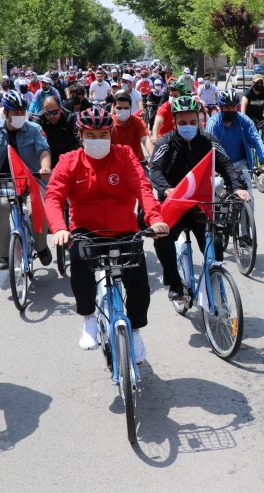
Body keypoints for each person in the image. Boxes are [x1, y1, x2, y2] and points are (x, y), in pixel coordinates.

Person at [44, 107, 169, 360]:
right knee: (79, 263)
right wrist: (59, 227)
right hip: (85, 230)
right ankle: (89, 318)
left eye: (103, 134)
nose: (97, 140)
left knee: (138, 281)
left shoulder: (124, 156)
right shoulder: (69, 160)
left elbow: (143, 188)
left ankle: (134, 331)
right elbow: (54, 197)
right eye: (91, 135)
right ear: (81, 135)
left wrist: (155, 219)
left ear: (111, 134)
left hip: (123, 230)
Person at [148, 96, 248, 300]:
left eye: (193, 122)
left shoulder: (209, 141)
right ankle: (175, 282)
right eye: (183, 123)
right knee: (162, 241)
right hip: (173, 204)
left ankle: (212, 278)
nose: (188, 126)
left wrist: (237, 187)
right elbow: (155, 170)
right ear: (175, 122)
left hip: (200, 205)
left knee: (216, 244)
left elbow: (226, 165)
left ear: (200, 120)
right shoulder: (165, 142)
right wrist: (166, 189)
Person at [0, 90, 52, 270]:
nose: (19, 115)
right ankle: (3, 255)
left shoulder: (35, 129)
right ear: (6, 112)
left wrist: (45, 167)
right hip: (3, 180)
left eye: (22, 112)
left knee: (36, 210)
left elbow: (43, 151)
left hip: (32, 178)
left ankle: (41, 247)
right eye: (15, 112)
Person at [206, 89, 264, 197]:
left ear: (237, 107)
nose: (230, 110)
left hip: (241, 163)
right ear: (221, 108)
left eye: (233, 107)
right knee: (215, 189)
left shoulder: (244, 120)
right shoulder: (213, 123)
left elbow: (256, 139)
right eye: (227, 107)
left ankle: (248, 214)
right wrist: (212, 167)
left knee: (248, 195)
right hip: (219, 165)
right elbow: (209, 146)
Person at [33, 96, 81, 168]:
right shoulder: (38, 120)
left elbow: (77, 142)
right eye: (47, 113)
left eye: (55, 112)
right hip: (47, 160)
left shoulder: (70, 118)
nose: (51, 116)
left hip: (68, 160)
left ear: (61, 109)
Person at [111, 92, 152, 163]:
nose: (123, 110)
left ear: (131, 108)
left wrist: (153, 156)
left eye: (126, 108)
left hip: (137, 162)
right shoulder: (108, 122)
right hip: (114, 162)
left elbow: (146, 140)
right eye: (119, 108)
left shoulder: (138, 121)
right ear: (114, 108)